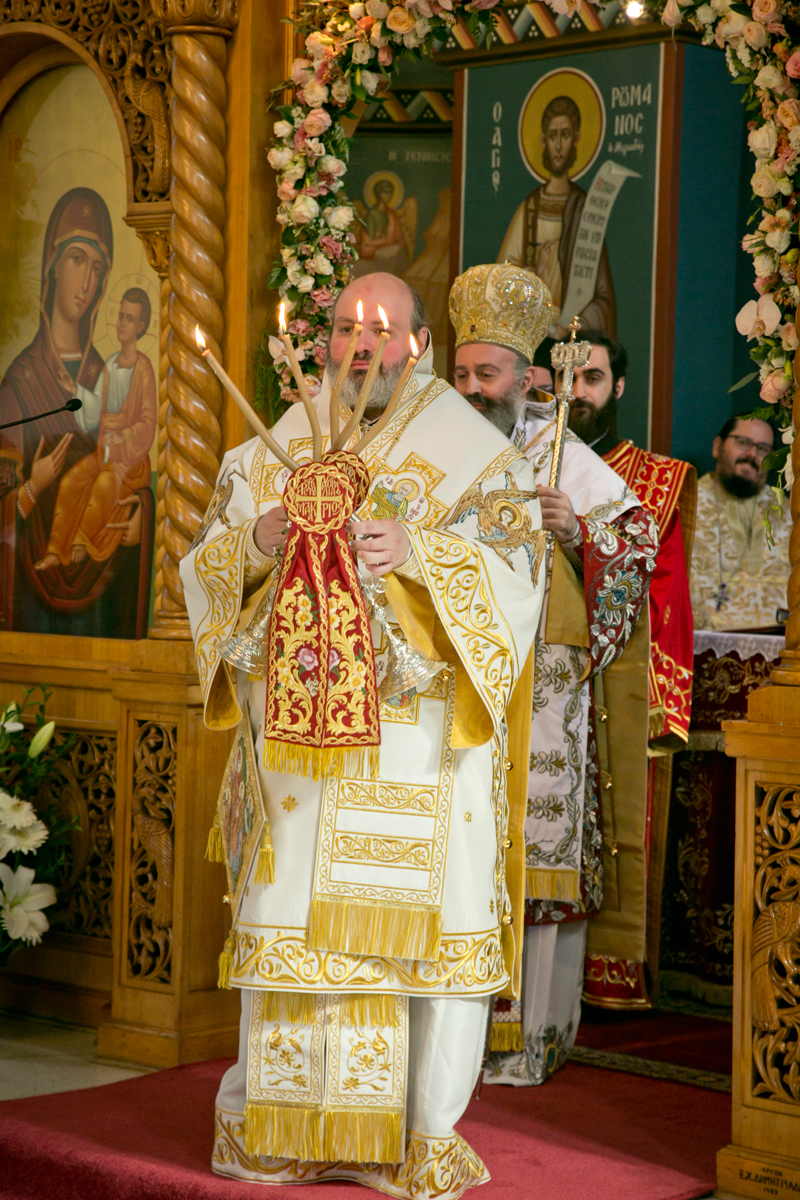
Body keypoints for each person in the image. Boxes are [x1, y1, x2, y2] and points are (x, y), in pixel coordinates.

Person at [180, 271, 547, 1195]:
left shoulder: (469, 449)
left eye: (379, 330)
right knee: (296, 926)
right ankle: (285, 1128)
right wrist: (258, 543)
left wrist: (419, 553)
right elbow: (205, 566)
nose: (359, 344)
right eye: (344, 326)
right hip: (302, 751)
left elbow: (519, 573)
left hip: (418, 748)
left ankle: (417, 1137)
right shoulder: (279, 440)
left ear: (417, 342)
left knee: (418, 943)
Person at [449, 263, 658, 1085]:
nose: (471, 388)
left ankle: (526, 1039)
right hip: (459, 677)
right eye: (460, 374)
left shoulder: (555, 445)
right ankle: (450, 1042)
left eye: (485, 374)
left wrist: (578, 534)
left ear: (522, 376)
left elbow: (635, 543)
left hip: (543, 685)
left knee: (533, 854)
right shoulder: (432, 446)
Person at [561, 329, 696, 1010]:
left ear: (617, 387)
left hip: (618, 675)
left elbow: (666, 596)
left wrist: (664, 704)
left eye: (591, 378)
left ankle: (606, 972)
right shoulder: (526, 463)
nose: (575, 393)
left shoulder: (658, 480)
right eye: (565, 377)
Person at [0, 187, 154, 637]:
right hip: (28, 619)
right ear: (52, 265)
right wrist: (32, 488)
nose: (86, 282)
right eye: (76, 259)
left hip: (102, 604)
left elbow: (135, 463)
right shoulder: (18, 383)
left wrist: (143, 515)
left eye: (98, 268)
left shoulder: (103, 374)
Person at [36, 287, 157, 571]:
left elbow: (149, 422)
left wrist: (124, 435)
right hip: (103, 452)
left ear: (140, 326)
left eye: (129, 319)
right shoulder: (110, 364)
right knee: (70, 481)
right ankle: (55, 551)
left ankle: (81, 540)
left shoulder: (144, 369)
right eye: (120, 316)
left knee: (104, 486)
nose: (121, 323)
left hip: (129, 461)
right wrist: (73, 390)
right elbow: (94, 412)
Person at [497, 96, 615, 339]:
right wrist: (522, 282)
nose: (559, 145)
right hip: (532, 334)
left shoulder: (585, 211)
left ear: (576, 139)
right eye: (552, 136)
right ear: (543, 141)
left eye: (565, 135)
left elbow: (602, 297)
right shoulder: (530, 208)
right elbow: (501, 278)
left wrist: (574, 324)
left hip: (570, 337)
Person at [691, 414, 790, 631]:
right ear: (717, 446)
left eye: (763, 449)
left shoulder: (789, 514)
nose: (752, 454)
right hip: (696, 651)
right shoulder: (685, 505)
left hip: (777, 653)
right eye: (743, 442)